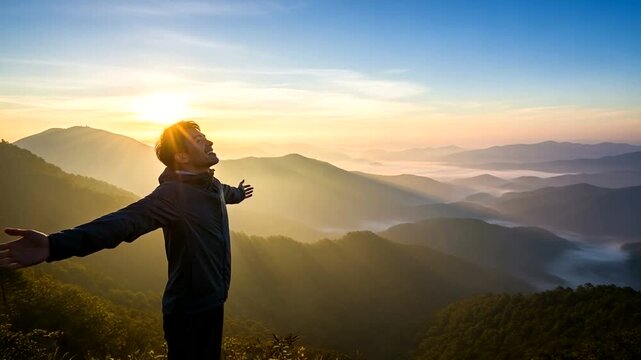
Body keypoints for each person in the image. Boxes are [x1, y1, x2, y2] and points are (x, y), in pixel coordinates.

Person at [0, 120, 253, 360]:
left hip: (214, 301)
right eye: (199, 140)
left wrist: (240, 193)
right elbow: (122, 223)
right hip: (188, 312)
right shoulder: (173, 195)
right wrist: (55, 244)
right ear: (182, 157)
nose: (209, 142)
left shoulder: (213, 185)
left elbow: (226, 194)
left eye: (204, 136)